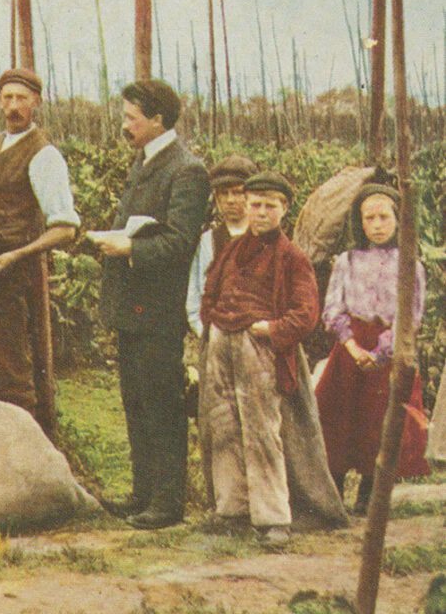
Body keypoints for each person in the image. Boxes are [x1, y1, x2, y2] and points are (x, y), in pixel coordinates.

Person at [98, 79, 210, 530]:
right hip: (132, 306)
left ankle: (167, 502)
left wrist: (128, 250)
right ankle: (143, 493)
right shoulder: (145, 162)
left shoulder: (186, 170)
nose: (124, 125)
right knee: (136, 401)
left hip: (158, 309)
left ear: (158, 119)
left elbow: (181, 243)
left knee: (161, 402)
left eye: (131, 117)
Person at [0, 68, 79, 431]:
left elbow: (65, 228)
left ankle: (30, 450)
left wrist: (19, 254)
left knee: (11, 369)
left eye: (21, 99)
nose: (13, 106)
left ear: (36, 102)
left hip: (9, 274)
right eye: (7, 98)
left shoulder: (44, 156)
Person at [200, 172, 319, 545]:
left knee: (262, 431)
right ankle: (233, 509)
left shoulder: (292, 257)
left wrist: (271, 329)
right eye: (255, 204)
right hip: (223, 344)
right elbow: (210, 290)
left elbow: (306, 313)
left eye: (270, 205)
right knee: (224, 426)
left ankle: (273, 520)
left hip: (259, 349)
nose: (261, 212)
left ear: (284, 209)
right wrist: (213, 324)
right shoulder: (232, 249)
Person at [316, 183, 430, 514]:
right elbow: (332, 308)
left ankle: (369, 495)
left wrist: (382, 351)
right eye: (369, 218)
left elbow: (411, 315)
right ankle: (332, 495)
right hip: (350, 349)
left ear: (398, 220)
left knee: (379, 423)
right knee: (336, 419)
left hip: (389, 352)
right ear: (359, 222)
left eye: (383, 217)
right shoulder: (347, 262)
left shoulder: (411, 264)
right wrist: (351, 345)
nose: (377, 225)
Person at [186, 156, 258, 338]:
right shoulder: (207, 242)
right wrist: (205, 333)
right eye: (224, 193)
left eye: (237, 192)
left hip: (258, 341)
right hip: (216, 339)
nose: (230, 200)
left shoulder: (264, 239)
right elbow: (194, 296)